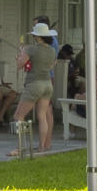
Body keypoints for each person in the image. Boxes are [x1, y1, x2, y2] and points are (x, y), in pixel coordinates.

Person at [16, 19, 63, 155]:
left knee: (19, 116)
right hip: (47, 83)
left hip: (34, 84)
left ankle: (21, 148)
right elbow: (51, 66)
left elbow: (20, 65)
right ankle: (42, 147)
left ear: (37, 36)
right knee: (42, 116)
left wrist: (20, 53)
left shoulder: (30, 49)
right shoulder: (52, 51)